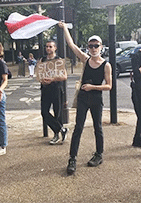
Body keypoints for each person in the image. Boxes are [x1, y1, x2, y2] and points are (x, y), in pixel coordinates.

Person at [59, 22, 112, 174]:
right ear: (88, 48)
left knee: (98, 127)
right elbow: (71, 44)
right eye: (91, 46)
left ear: (101, 47)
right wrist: (64, 29)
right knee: (78, 128)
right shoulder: (85, 59)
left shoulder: (106, 65)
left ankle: (99, 154)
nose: (93, 48)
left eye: (96, 45)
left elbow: (109, 86)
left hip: (95, 98)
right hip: (83, 97)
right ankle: (72, 158)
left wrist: (93, 87)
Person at [39, 40, 68, 145]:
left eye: (50, 46)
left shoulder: (58, 60)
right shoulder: (42, 60)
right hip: (45, 89)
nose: (48, 48)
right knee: (44, 112)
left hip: (56, 89)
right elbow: (39, 73)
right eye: (47, 46)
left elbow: (64, 76)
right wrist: (41, 79)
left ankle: (57, 135)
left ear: (55, 48)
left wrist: (53, 79)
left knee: (58, 113)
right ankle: (61, 129)